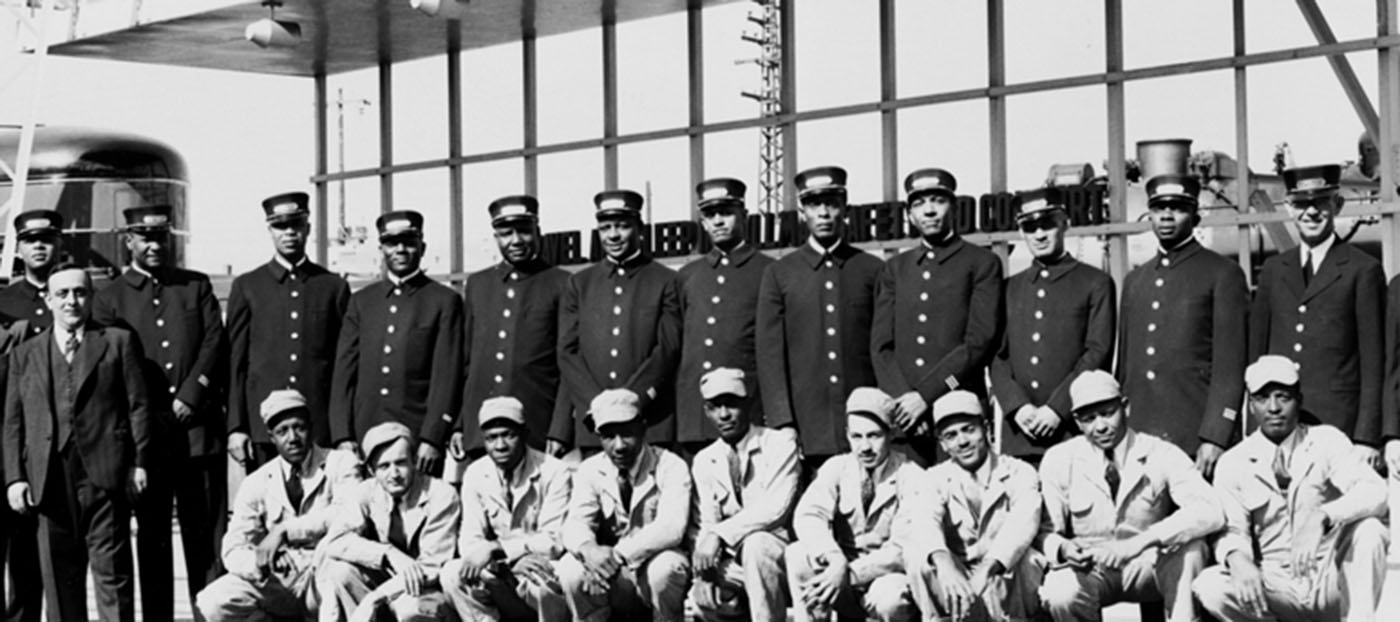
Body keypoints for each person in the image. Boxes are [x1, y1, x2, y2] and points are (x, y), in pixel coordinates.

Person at [92, 204, 227, 621]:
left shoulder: (195, 286)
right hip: (147, 443)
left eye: (160, 237)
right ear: (128, 241)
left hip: (197, 435)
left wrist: (192, 394)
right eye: (144, 237)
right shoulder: (110, 298)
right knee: (152, 544)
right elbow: (113, 367)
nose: (153, 245)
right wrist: (146, 416)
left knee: (205, 541)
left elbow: (213, 345)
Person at [1193, 355, 1389, 622]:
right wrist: (1238, 560)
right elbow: (1232, 529)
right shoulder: (1233, 462)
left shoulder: (1327, 441)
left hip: (1327, 579)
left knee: (1370, 531)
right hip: (1275, 583)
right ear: (1251, 405)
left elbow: (1375, 491)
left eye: (1283, 397)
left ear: (1299, 400)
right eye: (1262, 398)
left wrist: (1324, 516)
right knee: (1210, 585)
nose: (1273, 408)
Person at [3, 265, 150, 622]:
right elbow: (13, 421)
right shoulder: (27, 353)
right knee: (58, 581)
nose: (72, 301)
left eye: (80, 292)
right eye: (63, 294)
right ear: (49, 300)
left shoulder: (116, 342)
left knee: (113, 578)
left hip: (105, 476)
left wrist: (139, 462)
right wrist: (16, 478)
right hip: (49, 478)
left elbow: (137, 406)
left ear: (91, 296)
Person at [1036, 370, 1224, 622]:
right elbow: (1044, 531)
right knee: (1060, 590)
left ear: (1125, 407)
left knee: (1192, 550)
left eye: (1107, 413)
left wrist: (1140, 542)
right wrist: (1064, 548)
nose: (1100, 426)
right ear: (1077, 422)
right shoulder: (1059, 459)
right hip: (1093, 567)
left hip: (1148, 563)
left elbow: (1209, 510)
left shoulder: (1160, 451)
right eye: (1089, 418)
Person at [1249, 164, 1385, 470]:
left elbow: (1374, 361)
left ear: (1337, 205)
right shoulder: (1274, 270)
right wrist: (1252, 429)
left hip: (1339, 424)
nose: (1310, 212)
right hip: (1279, 425)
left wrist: (1367, 436)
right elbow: (1256, 357)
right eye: (1300, 204)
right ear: (1288, 207)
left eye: (1320, 203)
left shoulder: (1362, 270)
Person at [1118, 174, 1247, 478]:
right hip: (1142, 438)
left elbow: (1230, 366)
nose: (1166, 215)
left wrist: (1216, 435)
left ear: (1196, 216)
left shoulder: (1222, 273)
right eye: (1159, 207)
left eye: (1177, 208)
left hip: (1195, 438)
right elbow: (1126, 368)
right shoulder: (1135, 280)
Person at [195, 390, 363, 622]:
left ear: (311, 427)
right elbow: (233, 546)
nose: (292, 438)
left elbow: (349, 514)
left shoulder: (341, 464)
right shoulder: (257, 481)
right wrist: (262, 560)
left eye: (299, 427)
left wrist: (284, 532)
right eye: (282, 431)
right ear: (271, 437)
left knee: (341, 576)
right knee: (212, 602)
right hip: (280, 580)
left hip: (326, 573)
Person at [872, 168, 1003, 464]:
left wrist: (925, 396)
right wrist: (905, 402)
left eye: (937, 201)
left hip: (957, 410)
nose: (929, 210)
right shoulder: (896, 268)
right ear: (909, 214)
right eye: (919, 204)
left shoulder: (981, 263)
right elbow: (881, 346)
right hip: (906, 418)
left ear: (953, 206)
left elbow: (979, 342)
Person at [758, 166, 884, 464]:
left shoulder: (870, 269)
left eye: (832, 204)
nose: (824, 213)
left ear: (845, 209)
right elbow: (770, 354)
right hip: (806, 426)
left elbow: (883, 347)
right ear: (802, 212)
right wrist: (782, 421)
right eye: (815, 205)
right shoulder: (780, 273)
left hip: (864, 425)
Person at [330, 210, 464, 476]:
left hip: (416, 437)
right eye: (392, 243)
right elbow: (344, 373)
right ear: (381, 248)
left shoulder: (443, 301)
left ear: (422, 247)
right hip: (365, 436)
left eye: (409, 242)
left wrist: (432, 437)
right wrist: (343, 436)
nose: (401, 249)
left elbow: (446, 375)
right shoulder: (362, 302)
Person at [990, 187, 1115, 463]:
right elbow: (997, 357)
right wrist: (1017, 407)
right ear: (1021, 232)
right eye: (1030, 227)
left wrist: (1057, 409)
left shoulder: (1094, 283)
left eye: (1048, 225)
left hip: (1072, 429)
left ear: (1065, 224)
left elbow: (1097, 352)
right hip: (1020, 432)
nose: (1039, 235)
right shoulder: (1009, 288)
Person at [227, 192, 351, 467]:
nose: (289, 233)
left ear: (307, 228)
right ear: (270, 230)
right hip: (266, 428)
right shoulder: (248, 286)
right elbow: (236, 363)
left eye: (296, 225)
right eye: (281, 227)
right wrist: (237, 427)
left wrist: (342, 430)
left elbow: (344, 364)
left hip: (318, 425)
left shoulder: (332, 287)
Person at [557, 190, 682, 452]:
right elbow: (567, 351)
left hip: (648, 419)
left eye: (623, 226)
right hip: (595, 423)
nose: (613, 235)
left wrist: (633, 397)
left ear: (640, 229)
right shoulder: (580, 283)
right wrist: (596, 403)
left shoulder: (665, 280)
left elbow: (667, 348)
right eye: (605, 228)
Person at [785, 387, 921, 622]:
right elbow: (808, 515)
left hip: (883, 576)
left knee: (892, 597)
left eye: (874, 435)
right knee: (797, 553)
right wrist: (834, 557)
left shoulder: (911, 475)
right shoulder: (837, 467)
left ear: (890, 434)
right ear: (847, 435)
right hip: (839, 573)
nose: (865, 447)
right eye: (857, 437)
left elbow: (901, 551)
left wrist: (847, 573)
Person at [453, 195, 571, 463]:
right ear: (495, 236)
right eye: (506, 233)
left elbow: (568, 365)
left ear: (537, 232)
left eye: (524, 232)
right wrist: (459, 424)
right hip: (482, 428)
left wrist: (560, 429)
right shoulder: (478, 285)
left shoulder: (561, 283)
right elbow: (467, 363)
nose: (516, 241)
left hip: (535, 426)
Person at [557, 389, 693, 622]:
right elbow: (576, 522)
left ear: (643, 428)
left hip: (649, 565)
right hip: (609, 575)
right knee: (570, 567)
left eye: (627, 434)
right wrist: (588, 549)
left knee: (666, 567)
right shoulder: (590, 469)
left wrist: (616, 555)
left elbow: (671, 527)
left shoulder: (670, 465)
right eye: (609, 436)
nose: (619, 446)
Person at [906, 390, 1042, 622]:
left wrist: (989, 567)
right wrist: (944, 563)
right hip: (955, 579)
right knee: (918, 556)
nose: (962, 441)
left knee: (1029, 557)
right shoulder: (933, 478)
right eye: (951, 435)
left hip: (1004, 578)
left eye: (969, 429)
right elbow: (924, 521)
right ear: (943, 444)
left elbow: (1023, 524)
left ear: (987, 429)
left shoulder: (1019, 471)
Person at [441, 396, 572, 622]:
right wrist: (509, 560)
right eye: (492, 438)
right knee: (453, 573)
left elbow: (553, 542)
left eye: (508, 435)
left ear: (525, 434)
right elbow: (469, 541)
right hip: (504, 568)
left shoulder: (554, 470)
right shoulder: (475, 473)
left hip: (540, 568)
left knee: (544, 581)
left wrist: (499, 548)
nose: (500, 445)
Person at [317, 422, 460, 622]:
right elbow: (335, 541)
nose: (394, 474)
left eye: (401, 463)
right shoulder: (367, 491)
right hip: (388, 579)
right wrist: (386, 553)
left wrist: (374, 598)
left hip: (427, 591)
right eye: (384, 466)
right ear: (371, 470)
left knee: (412, 610)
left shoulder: (441, 495)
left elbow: (432, 567)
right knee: (340, 573)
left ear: (414, 461)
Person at [689, 368, 800, 622]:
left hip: (776, 557)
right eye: (715, 407)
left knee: (757, 546)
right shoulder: (705, 460)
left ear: (748, 404)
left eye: (732, 405)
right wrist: (703, 575)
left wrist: (719, 535)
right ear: (707, 411)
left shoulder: (779, 443)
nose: (724, 414)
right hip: (731, 563)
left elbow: (776, 508)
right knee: (702, 597)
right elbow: (707, 521)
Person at [676, 178, 774, 455]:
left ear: (744, 215)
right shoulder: (688, 276)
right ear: (702, 223)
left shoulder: (768, 271)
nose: (718, 221)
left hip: (747, 411)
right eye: (710, 215)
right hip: (697, 416)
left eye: (726, 213)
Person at [0, 209, 62, 622]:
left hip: (55, 443)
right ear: (18, 248)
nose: (40, 246)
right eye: (31, 240)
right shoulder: (4, 301)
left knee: (44, 556)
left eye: (47, 238)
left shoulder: (74, 296)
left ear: (60, 244)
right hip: (11, 440)